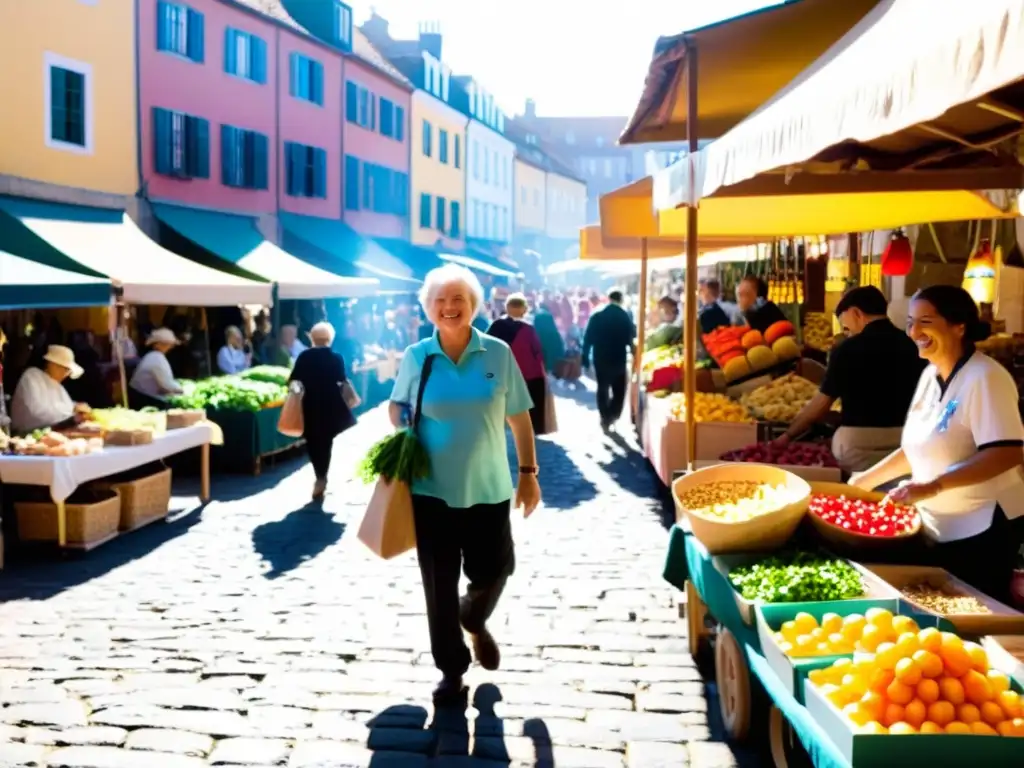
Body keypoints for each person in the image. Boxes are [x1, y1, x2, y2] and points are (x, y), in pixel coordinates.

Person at [388, 263, 541, 703]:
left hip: (490, 488)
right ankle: (451, 670)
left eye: (458, 299)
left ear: (473, 305)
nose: (449, 307)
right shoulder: (418, 356)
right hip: (430, 490)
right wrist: (400, 423)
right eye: (440, 300)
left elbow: (519, 418)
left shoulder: (497, 353)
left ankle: (473, 619)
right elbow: (397, 406)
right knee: (438, 585)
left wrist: (528, 475)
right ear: (428, 308)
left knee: (495, 570)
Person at [850, 285, 1024, 603]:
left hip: (982, 532)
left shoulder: (985, 377)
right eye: (910, 322)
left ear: (959, 326)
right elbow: (917, 448)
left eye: (926, 321)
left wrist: (932, 486)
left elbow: (1006, 452)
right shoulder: (930, 375)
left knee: (975, 629)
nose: (915, 331)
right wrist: (863, 482)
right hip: (936, 528)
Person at [776, 286, 926, 472]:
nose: (848, 333)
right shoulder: (913, 346)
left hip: (857, 442)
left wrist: (789, 435)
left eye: (846, 327)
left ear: (856, 313)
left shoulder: (847, 349)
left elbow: (822, 404)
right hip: (905, 441)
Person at [289, 322, 357, 501]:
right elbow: (341, 380)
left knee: (312, 441)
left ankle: (319, 475)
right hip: (331, 405)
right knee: (326, 442)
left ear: (312, 337)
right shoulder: (336, 358)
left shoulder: (304, 357)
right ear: (329, 338)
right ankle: (322, 476)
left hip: (310, 404)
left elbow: (294, 379)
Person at [488, 293, 548, 434]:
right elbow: (538, 352)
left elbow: (486, 347)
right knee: (532, 400)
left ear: (507, 308)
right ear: (525, 309)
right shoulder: (529, 329)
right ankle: (532, 426)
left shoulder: (496, 326)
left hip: (504, 372)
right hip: (529, 373)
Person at [582, 289, 636, 431]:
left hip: (600, 357)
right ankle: (613, 413)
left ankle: (604, 416)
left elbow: (587, 338)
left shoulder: (597, 315)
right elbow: (631, 338)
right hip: (618, 357)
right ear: (621, 299)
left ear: (608, 298)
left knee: (602, 388)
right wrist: (635, 354)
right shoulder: (625, 316)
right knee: (619, 390)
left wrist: (585, 357)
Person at [10, 345, 88, 433]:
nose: (64, 373)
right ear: (50, 364)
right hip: (25, 433)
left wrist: (76, 407)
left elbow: (66, 405)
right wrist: (72, 411)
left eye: (67, 370)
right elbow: (37, 412)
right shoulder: (32, 376)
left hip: (49, 431)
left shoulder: (57, 386)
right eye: (61, 368)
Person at [129, 328, 184, 408]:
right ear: (158, 344)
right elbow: (166, 385)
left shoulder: (154, 356)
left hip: (143, 397)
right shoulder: (156, 358)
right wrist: (183, 389)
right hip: (144, 400)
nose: (171, 347)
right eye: (168, 344)